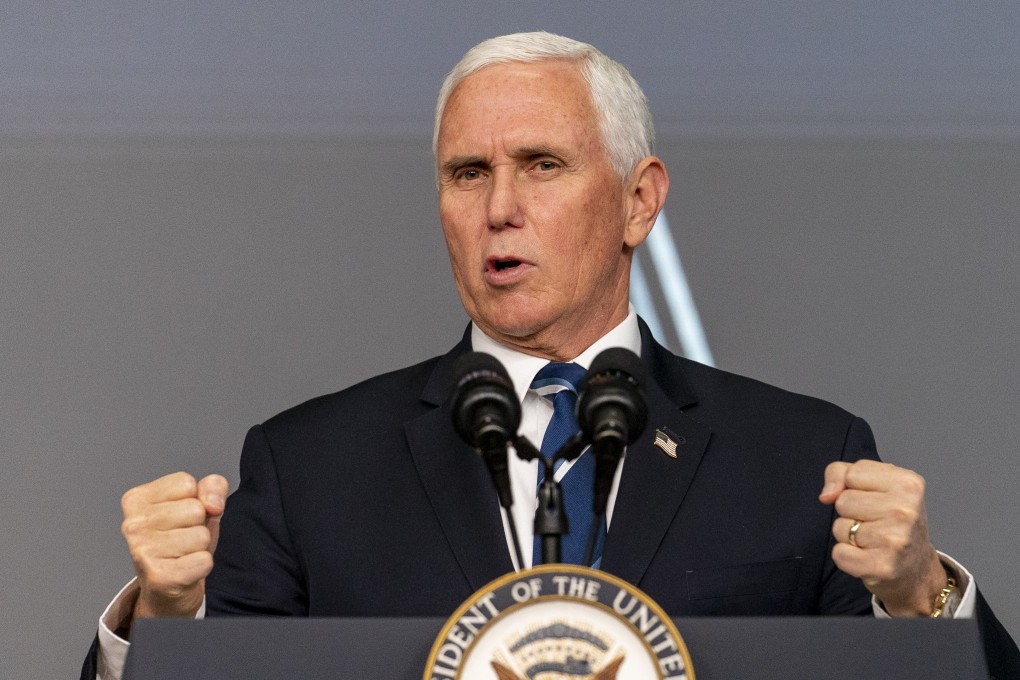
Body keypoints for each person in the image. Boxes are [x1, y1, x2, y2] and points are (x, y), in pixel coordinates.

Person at [83, 31, 1019, 680]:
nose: (499, 209)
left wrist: (921, 599)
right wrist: (165, 622)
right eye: (467, 174)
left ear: (639, 201)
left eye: (542, 165)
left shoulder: (800, 457)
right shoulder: (309, 467)